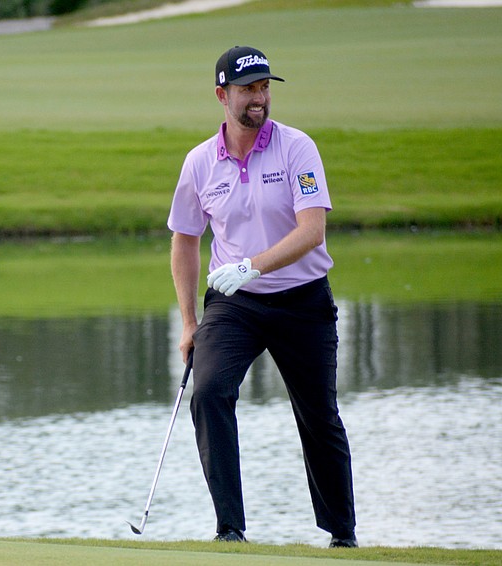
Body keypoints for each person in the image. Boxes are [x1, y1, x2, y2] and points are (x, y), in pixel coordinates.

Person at [167, 46, 357, 548]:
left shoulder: (298, 148)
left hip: (302, 299)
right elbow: (185, 239)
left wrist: (251, 266)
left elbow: (312, 231)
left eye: (265, 87)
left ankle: (343, 536)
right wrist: (189, 322)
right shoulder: (199, 163)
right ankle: (230, 530)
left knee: (318, 415)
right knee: (209, 393)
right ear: (221, 95)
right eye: (248, 89)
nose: (259, 98)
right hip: (235, 305)